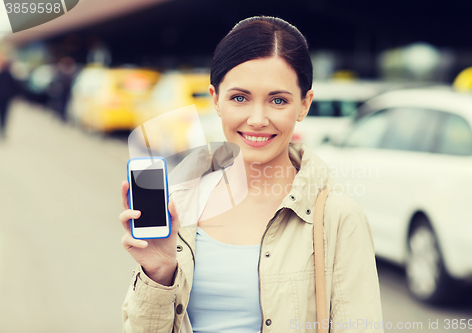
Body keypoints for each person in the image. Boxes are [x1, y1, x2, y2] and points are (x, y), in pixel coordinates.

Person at [119, 16, 384, 333]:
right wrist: (159, 274)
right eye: (240, 98)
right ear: (216, 100)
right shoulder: (178, 205)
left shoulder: (338, 219)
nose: (257, 119)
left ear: (304, 105)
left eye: (278, 100)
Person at [0, 54, 18, 139]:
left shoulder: (1, 75)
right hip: (7, 98)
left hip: (1, 97)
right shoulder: (11, 76)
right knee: (5, 114)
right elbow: (15, 88)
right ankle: (3, 129)